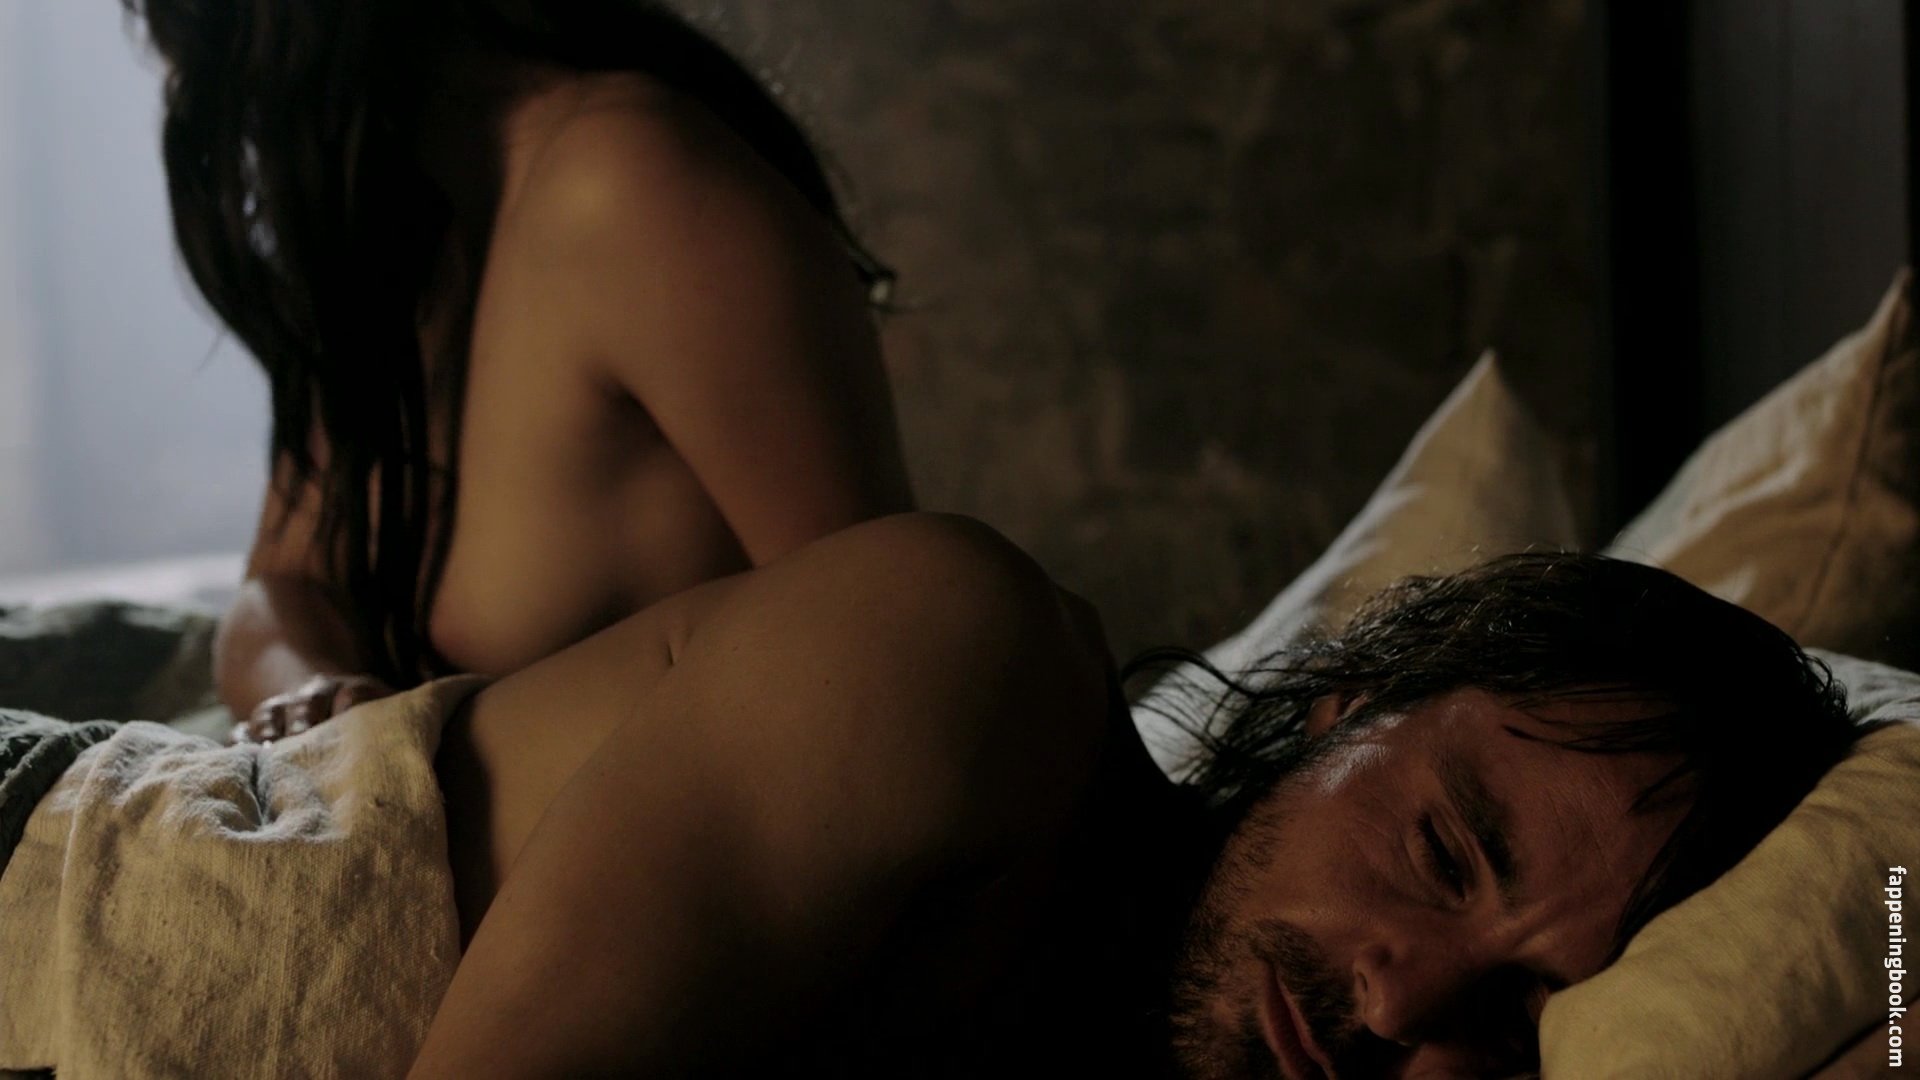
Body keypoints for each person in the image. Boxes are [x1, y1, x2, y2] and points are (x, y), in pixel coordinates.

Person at [392, 512, 1858, 1078]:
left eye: (1518, 1017)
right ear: (1346, 707)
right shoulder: (954, 664)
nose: (1404, 1004)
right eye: (1441, 853)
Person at [120, 0, 913, 739]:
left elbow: (899, 656)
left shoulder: (627, 182)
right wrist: (322, 703)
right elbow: (280, 590)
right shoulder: (398, 246)